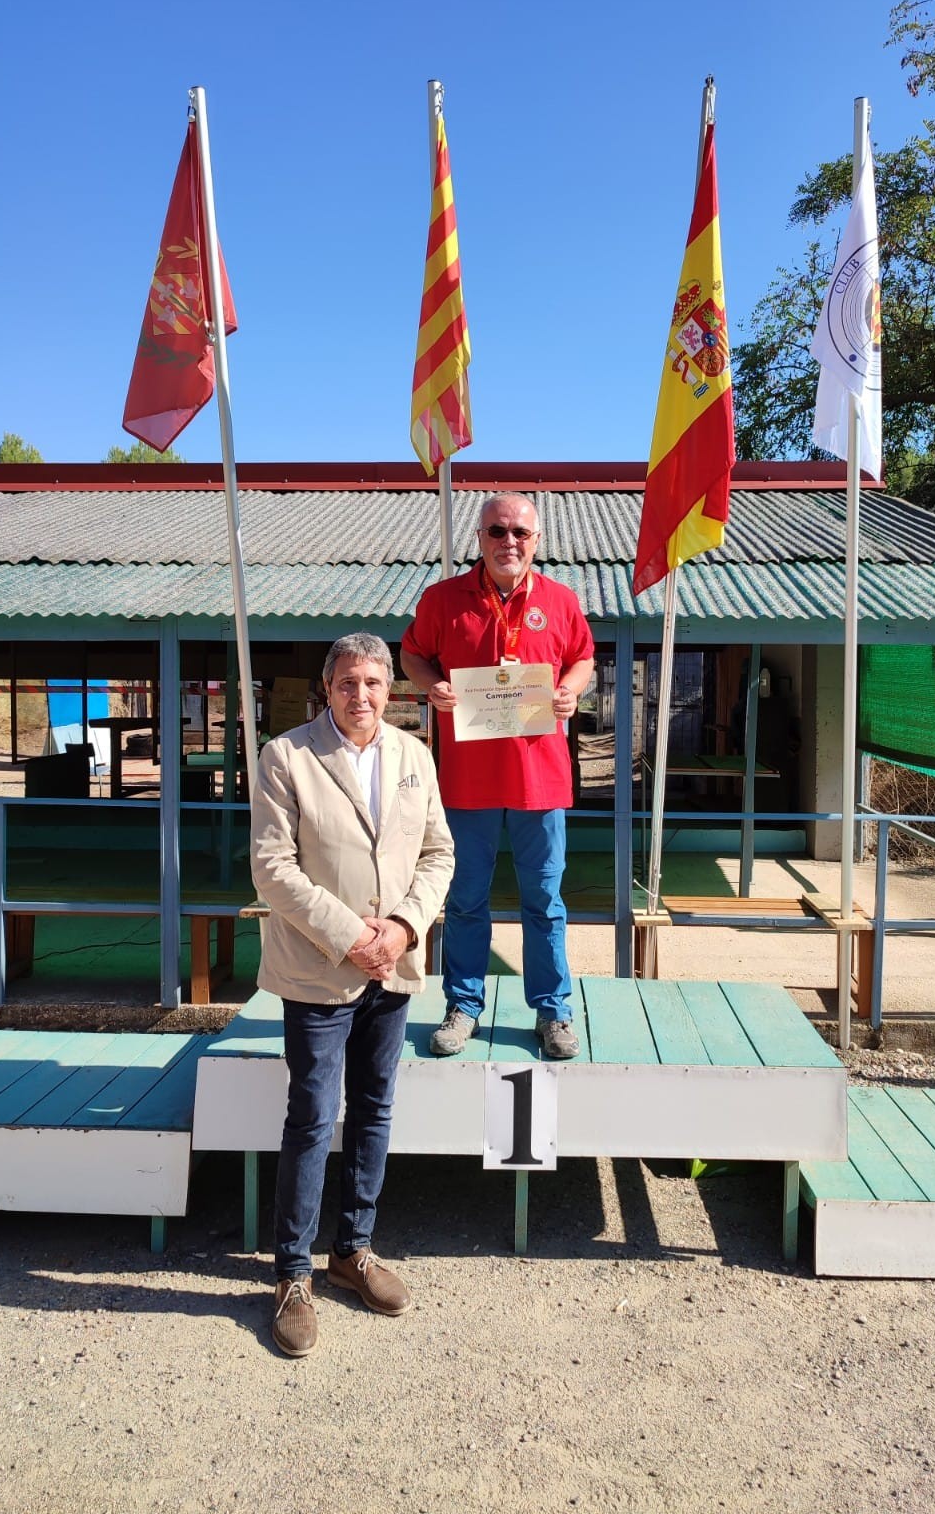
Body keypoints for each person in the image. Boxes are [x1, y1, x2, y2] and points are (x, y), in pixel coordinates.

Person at [250, 632, 454, 1358]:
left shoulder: (413, 757)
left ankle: (353, 1251)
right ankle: (292, 1275)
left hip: (391, 967)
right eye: (346, 683)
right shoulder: (287, 757)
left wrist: (399, 928)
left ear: (390, 689)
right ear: (325, 688)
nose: (360, 696)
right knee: (311, 1115)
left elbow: (439, 852)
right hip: (319, 970)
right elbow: (272, 869)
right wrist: (351, 936)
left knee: (374, 1107)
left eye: (373, 683)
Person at [401, 492, 595, 1061]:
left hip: (541, 782)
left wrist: (571, 691)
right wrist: (427, 683)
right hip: (467, 782)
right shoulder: (443, 600)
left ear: (536, 541)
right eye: (496, 531)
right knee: (463, 901)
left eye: (520, 533)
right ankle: (462, 1005)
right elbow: (412, 655)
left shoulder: (560, 601)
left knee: (544, 900)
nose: (508, 542)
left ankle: (554, 1011)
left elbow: (582, 656)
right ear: (479, 538)